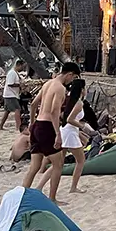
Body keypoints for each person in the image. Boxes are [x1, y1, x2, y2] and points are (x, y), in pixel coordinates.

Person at [22, 62, 81, 204]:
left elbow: (33, 104)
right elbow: (54, 111)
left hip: (37, 124)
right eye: (73, 78)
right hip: (47, 127)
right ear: (69, 74)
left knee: (34, 166)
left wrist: (31, 123)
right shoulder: (60, 88)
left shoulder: (48, 84)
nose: (71, 82)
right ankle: (52, 198)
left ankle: (21, 197)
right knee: (58, 164)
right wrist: (58, 134)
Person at [42, 78, 95, 194]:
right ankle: (73, 187)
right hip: (70, 132)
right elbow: (70, 119)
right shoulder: (79, 103)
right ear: (82, 90)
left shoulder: (70, 100)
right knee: (80, 160)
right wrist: (83, 126)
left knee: (58, 163)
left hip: (66, 130)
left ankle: (40, 186)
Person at [0, 59, 25, 131]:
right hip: (10, 95)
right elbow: (10, 84)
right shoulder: (12, 73)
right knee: (17, 109)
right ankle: (18, 126)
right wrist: (19, 85)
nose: (22, 68)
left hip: (11, 94)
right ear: (18, 65)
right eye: (22, 67)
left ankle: (0, 126)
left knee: (7, 111)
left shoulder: (14, 73)